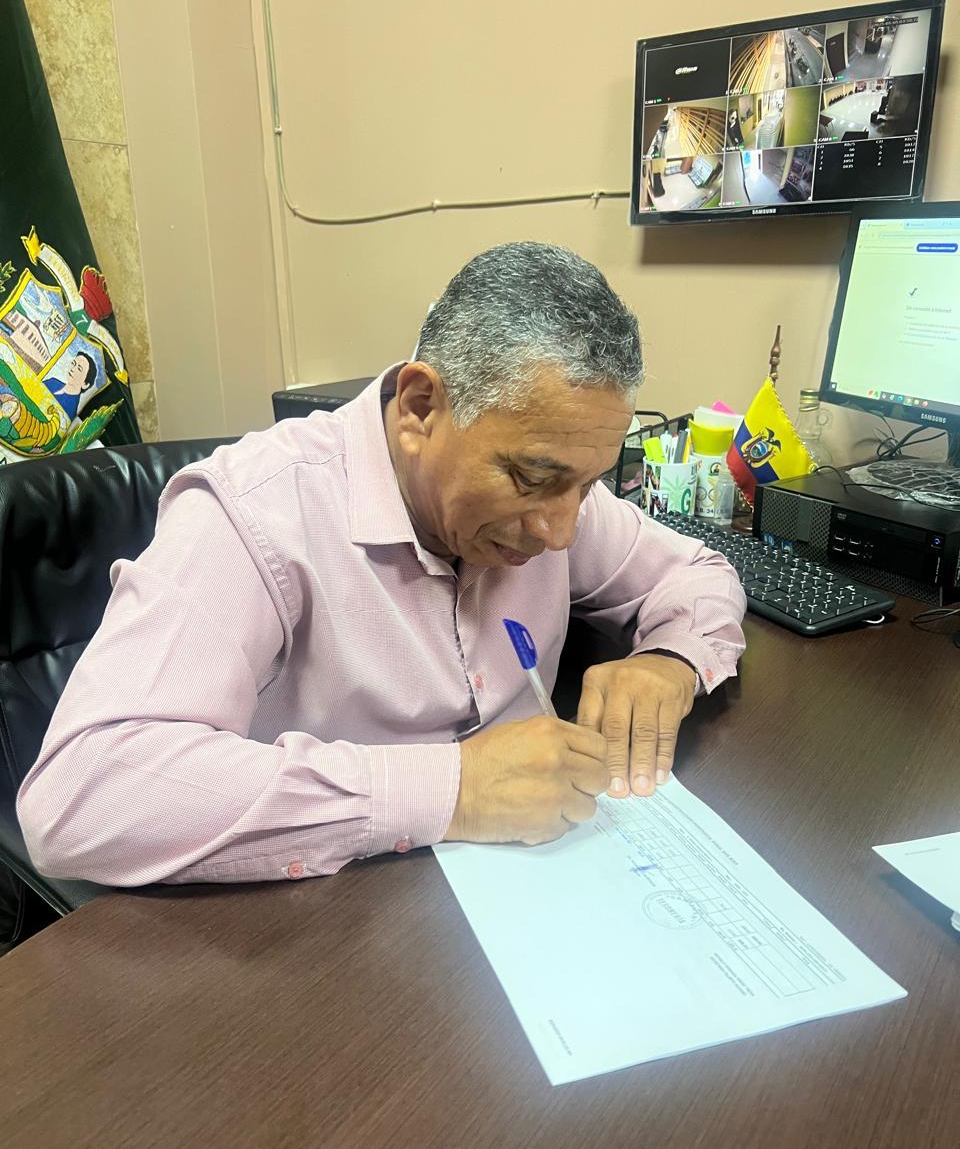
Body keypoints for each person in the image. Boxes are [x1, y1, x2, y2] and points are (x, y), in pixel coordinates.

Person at [18, 242, 746, 887]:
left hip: (539, 883)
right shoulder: (255, 511)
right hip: (324, 922)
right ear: (420, 408)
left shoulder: (555, 495)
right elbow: (83, 792)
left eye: (586, 487)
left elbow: (699, 574)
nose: (559, 534)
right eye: (531, 479)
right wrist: (453, 789)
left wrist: (670, 662)